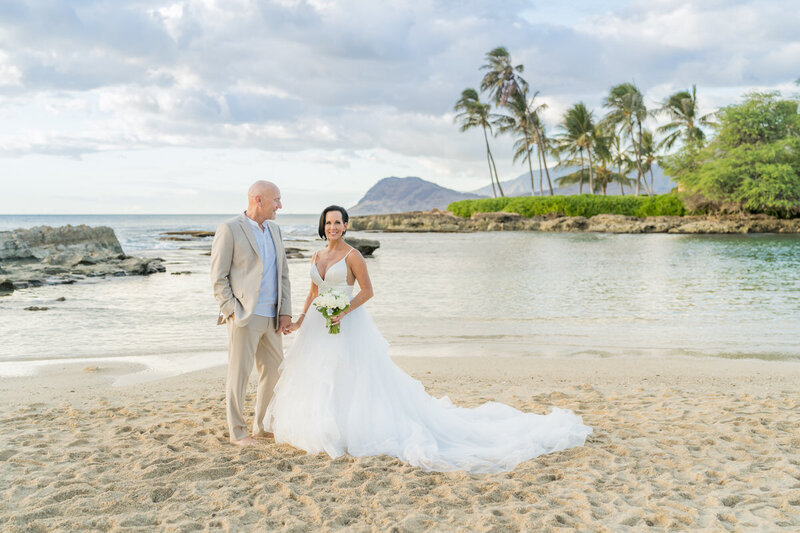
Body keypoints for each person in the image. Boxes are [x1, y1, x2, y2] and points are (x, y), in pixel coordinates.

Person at [265, 205, 592, 473]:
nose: (333, 227)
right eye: (328, 222)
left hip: (346, 324)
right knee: (318, 376)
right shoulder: (316, 256)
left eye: (338, 222)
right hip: (318, 327)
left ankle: (349, 430)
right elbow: (312, 291)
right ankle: (322, 426)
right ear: (322, 227)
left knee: (352, 376)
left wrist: (343, 312)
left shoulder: (353, 257)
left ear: (346, 226)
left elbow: (367, 291)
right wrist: (300, 319)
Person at [210, 181, 292, 447]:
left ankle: (260, 425)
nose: (280, 205)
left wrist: (285, 312)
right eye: (276, 200)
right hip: (244, 315)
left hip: (272, 315)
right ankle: (237, 432)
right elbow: (218, 276)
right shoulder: (230, 229)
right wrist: (231, 310)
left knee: (275, 371)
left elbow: (283, 274)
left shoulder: (275, 230)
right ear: (258, 199)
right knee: (239, 375)